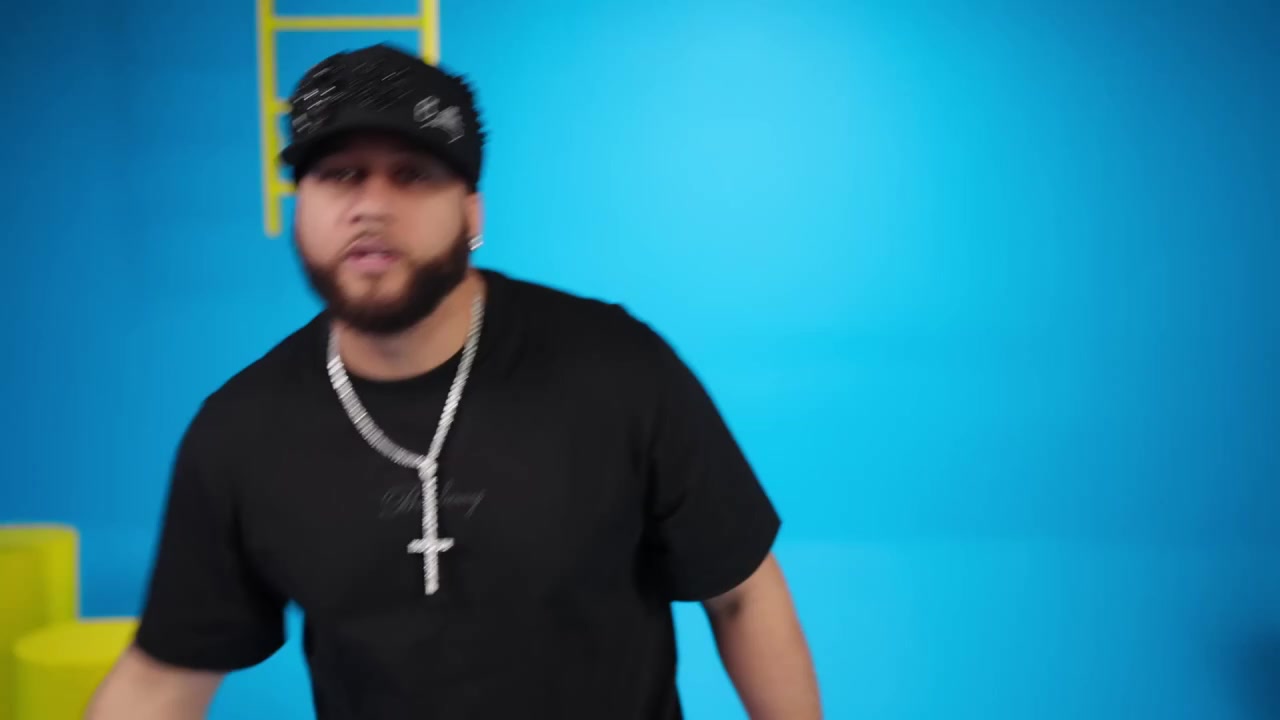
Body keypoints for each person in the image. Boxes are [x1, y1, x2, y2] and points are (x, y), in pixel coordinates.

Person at [88, 43, 821, 720]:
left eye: (412, 174)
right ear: (300, 207)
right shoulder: (241, 435)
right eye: (339, 174)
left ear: (472, 213)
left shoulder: (618, 367)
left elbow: (742, 597)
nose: (371, 206)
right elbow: (163, 678)